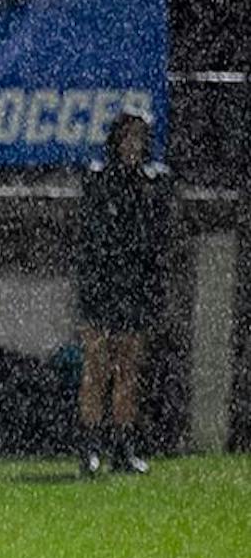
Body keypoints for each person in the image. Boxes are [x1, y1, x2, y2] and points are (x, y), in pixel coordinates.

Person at [74, 108, 172, 477]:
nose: (134, 145)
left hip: (134, 285)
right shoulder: (99, 179)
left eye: (140, 138)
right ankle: (89, 447)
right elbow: (92, 237)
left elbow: (155, 236)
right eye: (128, 137)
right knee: (96, 367)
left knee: (128, 369)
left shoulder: (150, 182)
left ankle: (123, 446)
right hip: (102, 284)